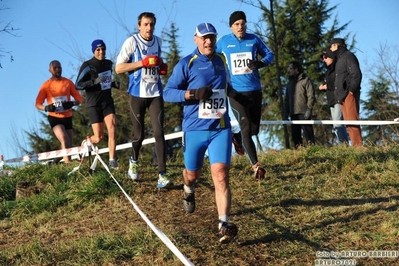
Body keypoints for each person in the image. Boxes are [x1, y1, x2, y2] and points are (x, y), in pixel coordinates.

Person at [163, 22, 254, 244]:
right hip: (194, 129)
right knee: (192, 174)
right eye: (204, 38)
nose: (208, 41)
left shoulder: (222, 60)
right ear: (195, 39)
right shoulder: (187, 64)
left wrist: (238, 96)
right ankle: (188, 188)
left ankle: (223, 224)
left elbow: (224, 88)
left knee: (221, 174)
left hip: (219, 129)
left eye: (211, 37)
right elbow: (167, 93)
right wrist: (192, 94)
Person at [115, 12, 171, 188]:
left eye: (152, 24)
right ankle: (134, 160)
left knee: (159, 133)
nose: (149, 28)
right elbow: (118, 68)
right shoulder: (132, 42)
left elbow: (158, 65)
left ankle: (162, 175)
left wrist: (161, 67)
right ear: (139, 26)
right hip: (137, 95)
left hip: (155, 94)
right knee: (139, 135)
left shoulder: (158, 42)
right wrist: (142, 63)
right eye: (146, 24)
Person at [216, 11, 274, 180]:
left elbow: (270, 54)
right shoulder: (224, 42)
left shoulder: (253, 39)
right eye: (236, 24)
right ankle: (256, 166)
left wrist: (261, 63)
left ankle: (237, 137)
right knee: (246, 125)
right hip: (235, 92)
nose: (240, 27)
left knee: (254, 129)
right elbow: (211, 56)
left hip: (255, 90)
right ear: (231, 26)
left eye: (243, 23)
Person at [75, 39, 119, 169]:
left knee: (112, 128)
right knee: (99, 137)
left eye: (103, 49)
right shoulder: (88, 65)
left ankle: (112, 160)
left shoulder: (108, 63)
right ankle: (87, 142)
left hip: (107, 101)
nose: (101, 52)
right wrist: (93, 82)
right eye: (98, 49)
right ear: (94, 51)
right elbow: (78, 84)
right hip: (93, 103)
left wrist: (113, 84)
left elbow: (105, 82)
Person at [35, 60, 82, 164]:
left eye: (59, 67)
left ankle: (53, 162)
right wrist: (47, 108)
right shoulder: (46, 85)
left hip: (67, 116)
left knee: (68, 145)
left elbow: (79, 99)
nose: (57, 70)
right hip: (54, 117)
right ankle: (68, 165)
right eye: (55, 68)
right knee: (64, 138)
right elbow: (37, 104)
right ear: (50, 70)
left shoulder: (68, 82)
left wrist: (71, 103)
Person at [330, 38, 363, 147]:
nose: (330, 48)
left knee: (353, 121)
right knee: (348, 123)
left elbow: (356, 74)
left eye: (331, 46)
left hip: (348, 94)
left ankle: (358, 147)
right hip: (342, 95)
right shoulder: (339, 59)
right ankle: (355, 146)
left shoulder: (348, 56)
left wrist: (351, 90)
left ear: (337, 46)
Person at [319, 49, 349, 144]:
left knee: (338, 123)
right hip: (331, 99)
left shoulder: (338, 69)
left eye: (326, 57)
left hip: (338, 99)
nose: (324, 59)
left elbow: (339, 84)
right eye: (323, 58)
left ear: (332, 57)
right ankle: (342, 144)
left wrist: (327, 86)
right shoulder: (328, 72)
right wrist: (324, 87)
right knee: (335, 124)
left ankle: (344, 145)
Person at [284, 60, 315, 148]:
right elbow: (286, 99)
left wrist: (309, 109)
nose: (288, 70)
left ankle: (313, 150)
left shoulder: (306, 81)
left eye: (290, 68)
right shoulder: (289, 84)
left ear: (296, 69)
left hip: (304, 112)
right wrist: (286, 113)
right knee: (295, 136)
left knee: (308, 134)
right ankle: (298, 151)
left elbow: (311, 95)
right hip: (293, 114)